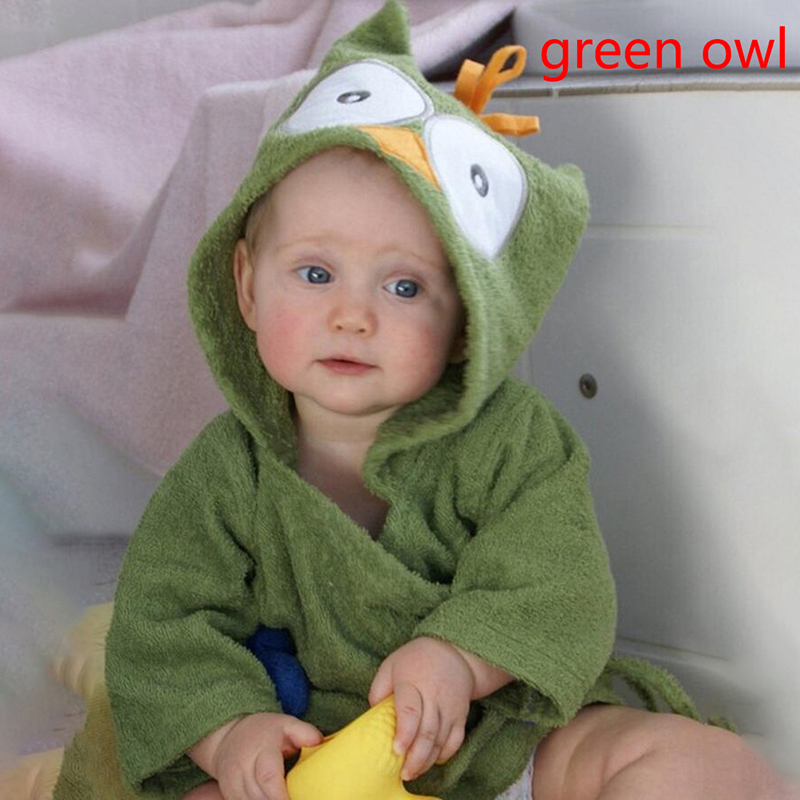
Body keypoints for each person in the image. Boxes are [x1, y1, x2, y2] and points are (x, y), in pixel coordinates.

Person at [53, 3, 797, 800]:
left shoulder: (515, 442)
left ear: (468, 324)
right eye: (315, 273)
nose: (353, 315)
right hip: (312, 764)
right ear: (246, 286)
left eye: (404, 286)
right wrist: (231, 730)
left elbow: (558, 582)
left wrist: (460, 658)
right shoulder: (224, 474)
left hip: (493, 740)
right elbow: (165, 625)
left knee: (692, 765)